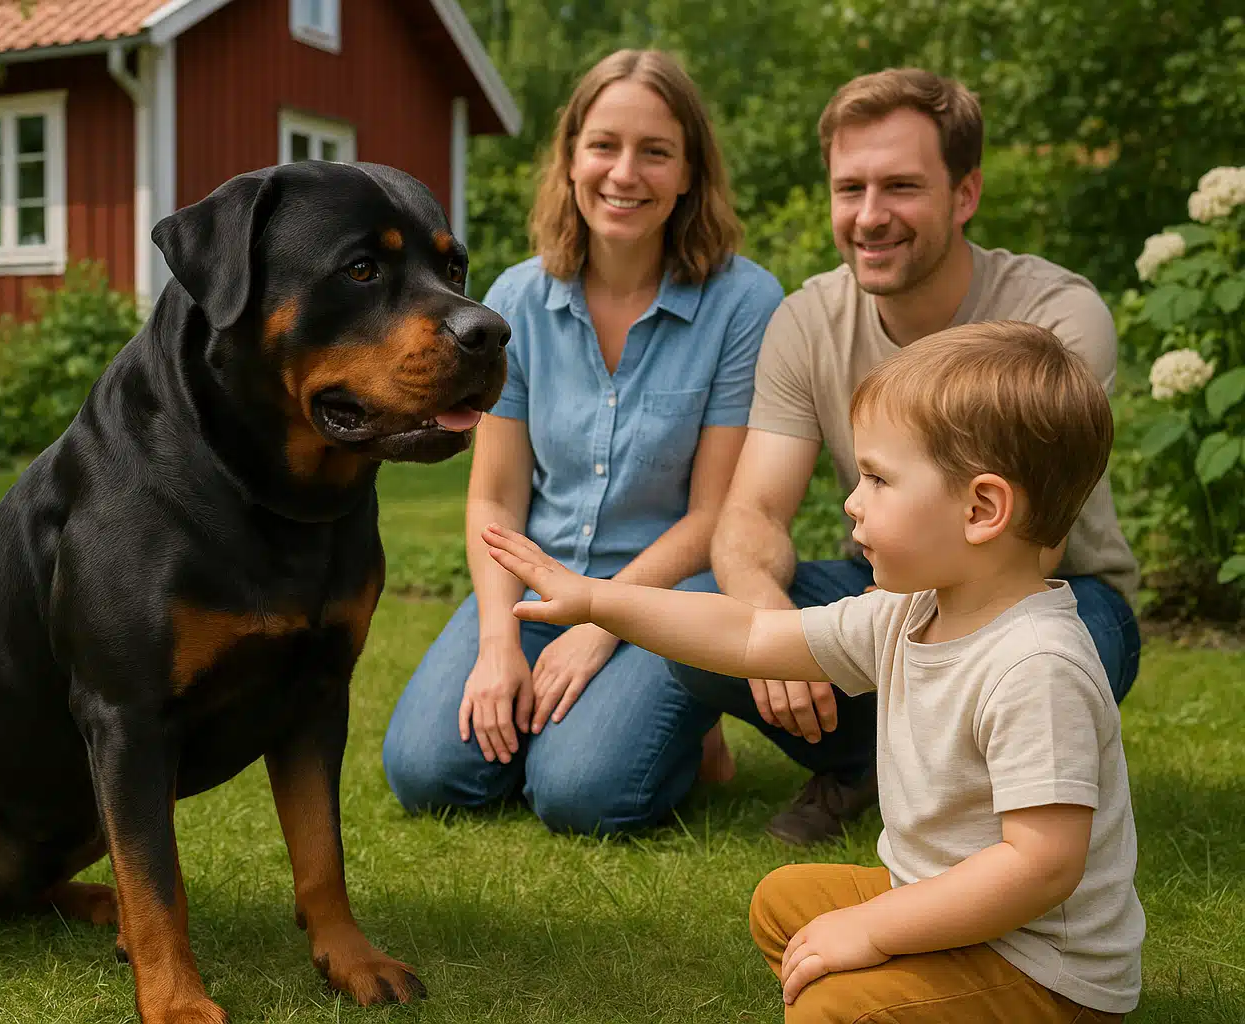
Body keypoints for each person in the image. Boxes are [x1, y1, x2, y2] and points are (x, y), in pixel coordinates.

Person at [482, 320, 1144, 1022]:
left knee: (833, 1010)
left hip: (1041, 972)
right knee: (783, 906)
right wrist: (596, 600)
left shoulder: (1035, 664)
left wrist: (873, 928)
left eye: (880, 479)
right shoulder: (910, 611)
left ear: (982, 509)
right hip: (951, 909)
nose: (853, 500)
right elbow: (752, 633)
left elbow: (1040, 867)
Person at [674, 67, 1144, 846]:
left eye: (900, 187)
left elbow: (1026, 540)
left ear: (965, 195)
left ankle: (957, 788)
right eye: (849, 188)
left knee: (1060, 645)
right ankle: (870, 767)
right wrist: (766, 623)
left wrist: (861, 640)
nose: (870, 216)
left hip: (1052, 594)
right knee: (709, 619)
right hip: (889, 573)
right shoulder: (807, 322)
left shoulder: (1057, 316)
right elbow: (751, 513)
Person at [378, 48, 784, 836]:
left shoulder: (745, 302)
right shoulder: (518, 299)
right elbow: (495, 496)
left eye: (655, 151)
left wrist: (601, 624)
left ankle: (689, 726)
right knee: (427, 774)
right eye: (603, 146)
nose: (624, 173)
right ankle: (593, 717)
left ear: (691, 172)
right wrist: (500, 643)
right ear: (570, 160)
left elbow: (715, 517)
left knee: (581, 796)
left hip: (669, 593)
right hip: (536, 580)